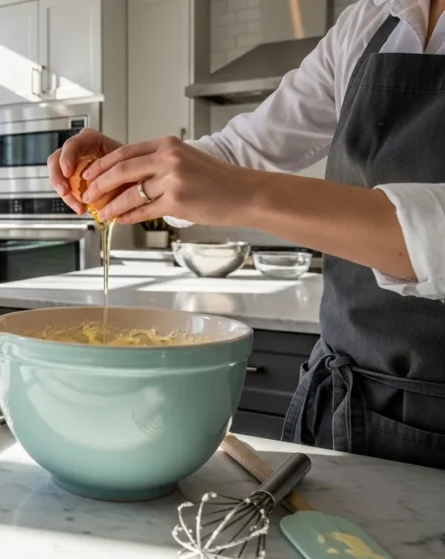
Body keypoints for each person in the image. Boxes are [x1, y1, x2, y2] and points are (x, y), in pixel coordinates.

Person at [48, 0, 445, 470]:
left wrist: (245, 195)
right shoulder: (370, 19)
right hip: (341, 399)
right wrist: (139, 173)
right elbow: (246, 149)